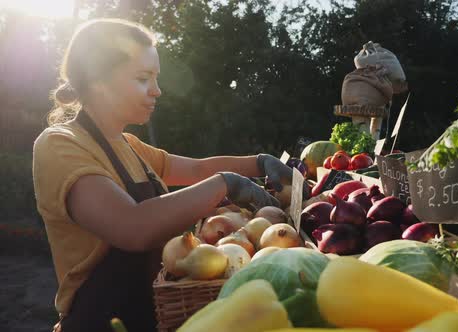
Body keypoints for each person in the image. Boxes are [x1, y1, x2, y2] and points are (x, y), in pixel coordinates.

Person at [32, 18, 292, 332]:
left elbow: (196, 170)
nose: (157, 90)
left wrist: (260, 162)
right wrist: (226, 183)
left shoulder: (129, 146)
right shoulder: (60, 145)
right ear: (98, 78)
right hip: (101, 321)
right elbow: (132, 226)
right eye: (144, 78)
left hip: (151, 316)